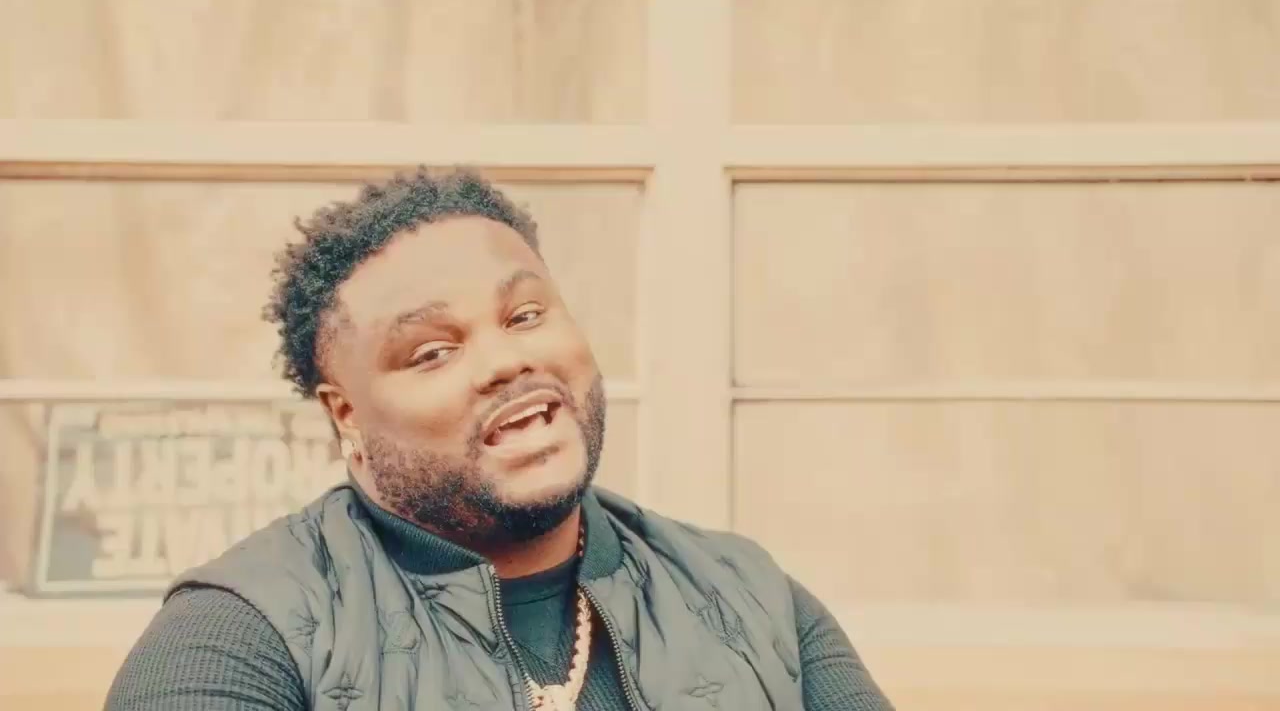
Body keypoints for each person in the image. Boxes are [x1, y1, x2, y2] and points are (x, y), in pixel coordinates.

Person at [105, 168, 894, 710]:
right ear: (346, 416)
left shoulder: (749, 597)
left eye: (524, 315)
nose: (506, 361)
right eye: (432, 352)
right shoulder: (241, 635)